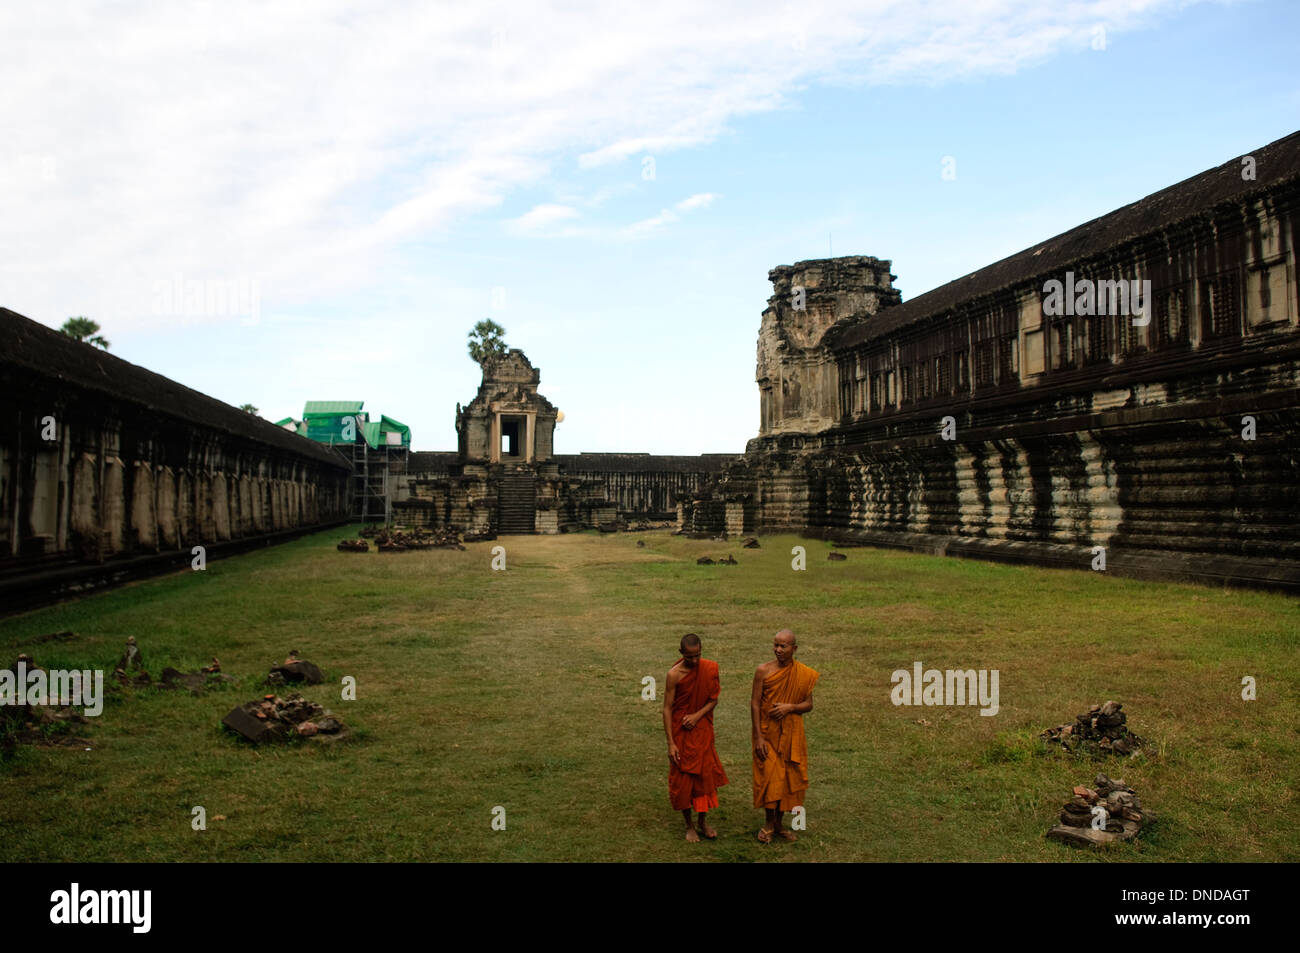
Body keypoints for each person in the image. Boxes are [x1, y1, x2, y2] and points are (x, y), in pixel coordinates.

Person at [751, 629, 818, 843]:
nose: (778, 650)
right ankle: (769, 823)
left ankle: (778, 824)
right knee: (770, 776)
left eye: (783, 646)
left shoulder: (803, 673)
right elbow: (754, 703)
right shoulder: (763, 671)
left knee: (788, 778)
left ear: (794, 649)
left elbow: (808, 705)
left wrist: (790, 707)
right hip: (767, 732)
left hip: (792, 733)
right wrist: (758, 737)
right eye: (776, 645)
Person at [664, 633, 728, 842]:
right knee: (684, 779)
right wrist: (671, 743)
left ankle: (702, 821)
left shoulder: (708, 668)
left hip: (701, 729)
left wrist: (697, 716)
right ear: (681, 653)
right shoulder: (674, 674)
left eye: (697, 656)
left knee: (704, 776)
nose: (694, 661)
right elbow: (666, 709)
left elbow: (713, 699)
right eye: (689, 657)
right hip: (680, 732)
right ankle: (689, 825)